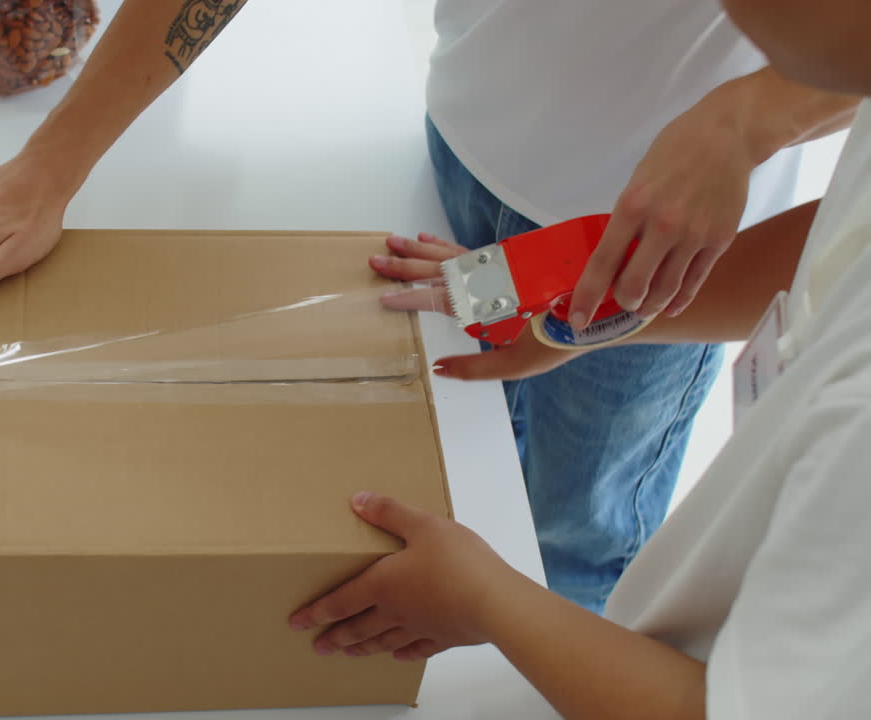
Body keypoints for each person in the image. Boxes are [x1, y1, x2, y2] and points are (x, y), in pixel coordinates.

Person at [0, 0, 855, 611]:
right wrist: (51, 165)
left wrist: (748, 116)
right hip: (469, 143)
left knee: (576, 528)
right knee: (466, 439)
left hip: (662, 245)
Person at [287, 0, 871, 712]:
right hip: (512, 169)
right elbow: (825, 250)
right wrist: (564, 325)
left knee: (579, 534)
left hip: (666, 654)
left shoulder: (856, 429)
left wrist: (486, 601)